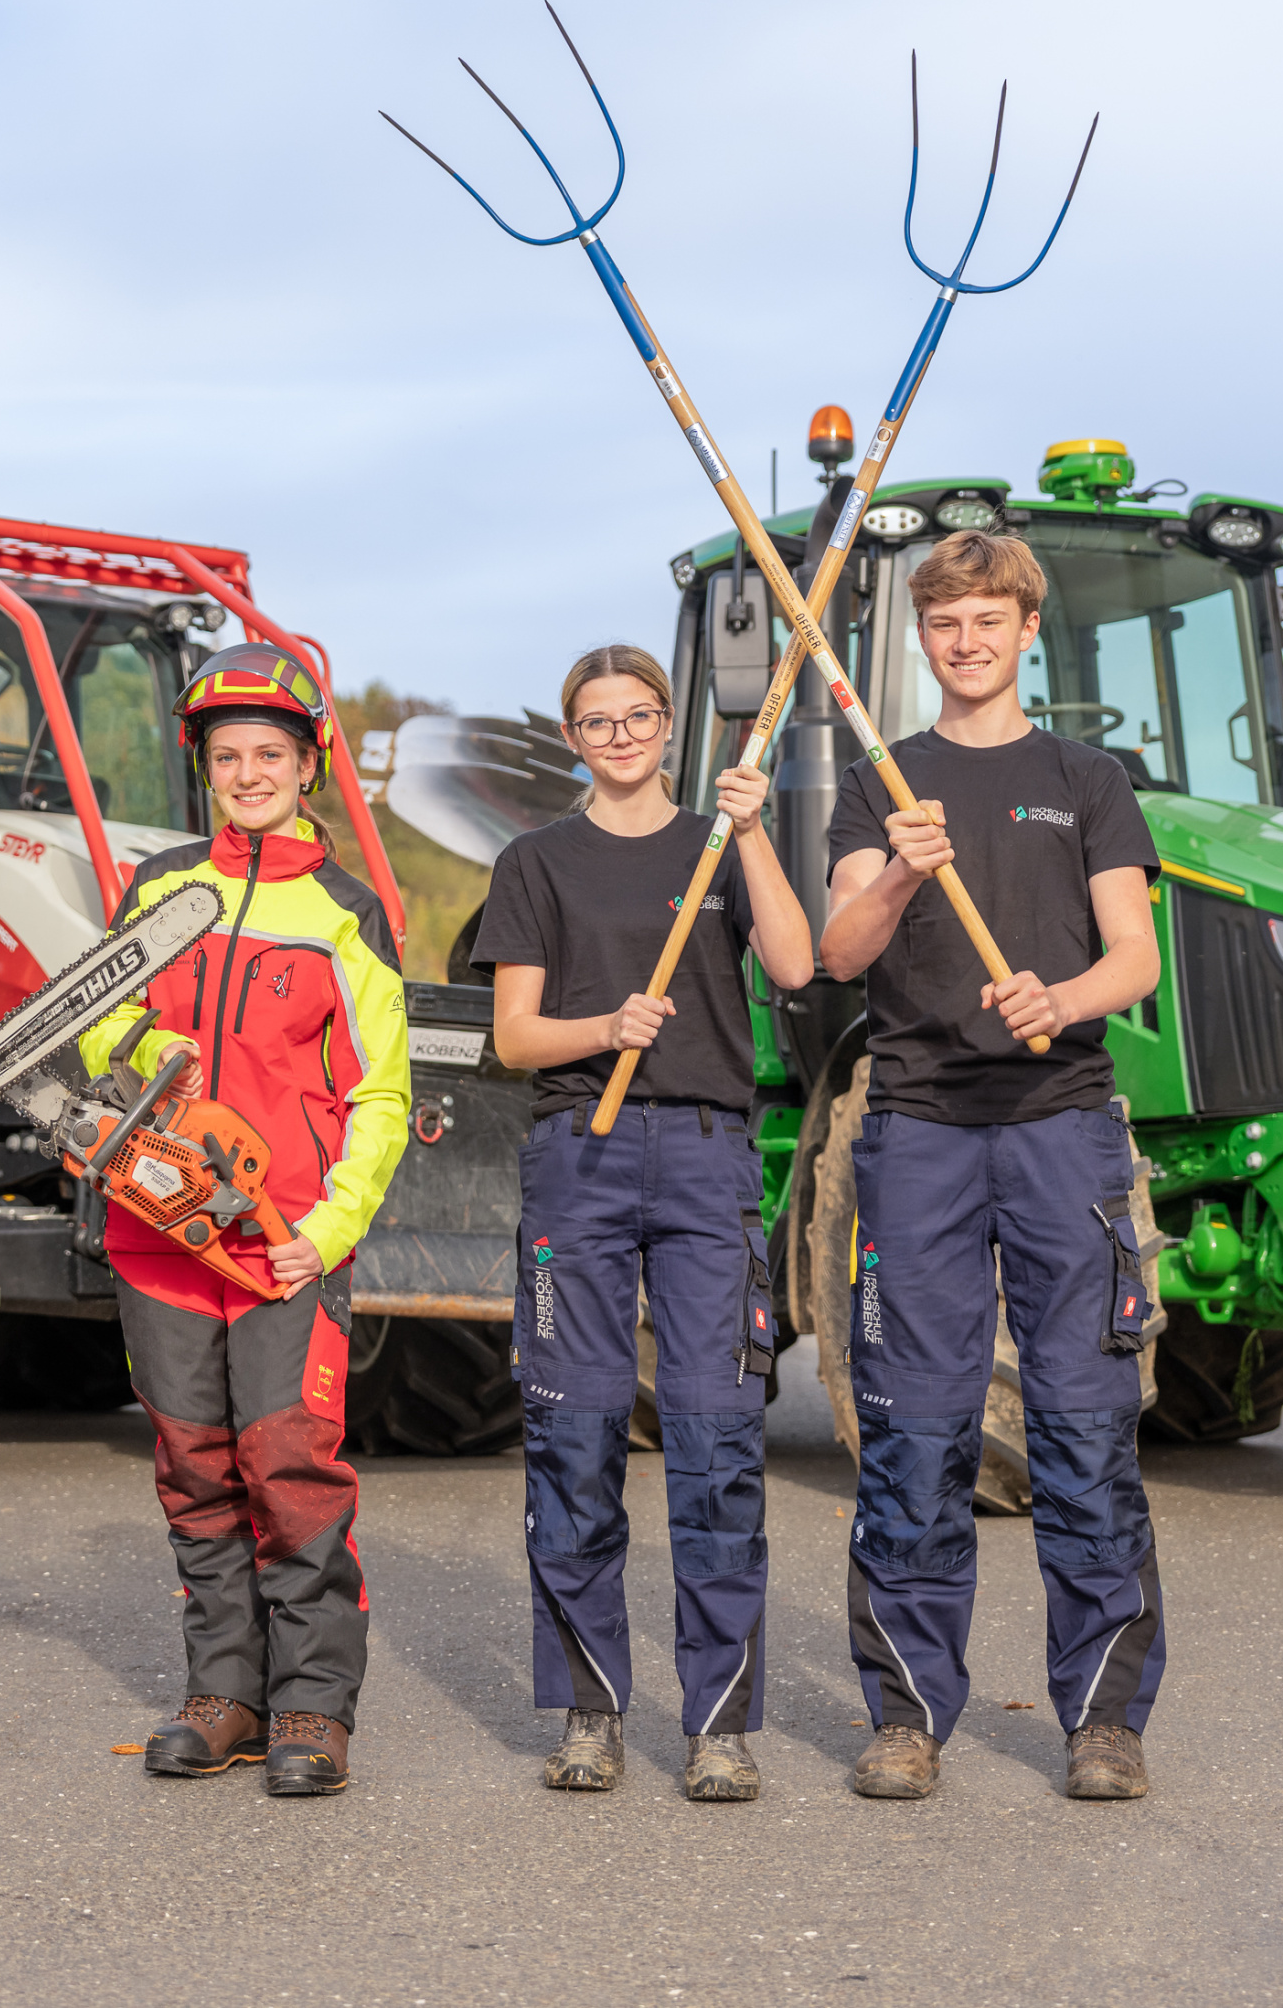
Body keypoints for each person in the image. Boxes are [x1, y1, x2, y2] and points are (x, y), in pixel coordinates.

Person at [817, 530, 1166, 1805]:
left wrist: (1059, 998)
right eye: (944, 625)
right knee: (916, 1425)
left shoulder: (1086, 779)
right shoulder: (884, 785)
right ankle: (906, 1715)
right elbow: (837, 952)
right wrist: (903, 875)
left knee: (1082, 1422)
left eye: (987, 622)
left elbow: (1132, 955)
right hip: (915, 1126)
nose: (965, 644)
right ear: (922, 640)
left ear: (1028, 632)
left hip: (1059, 1123)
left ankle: (1102, 1720)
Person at [472, 644, 815, 1802]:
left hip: (708, 1159)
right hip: (582, 1155)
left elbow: (798, 963)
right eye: (595, 721)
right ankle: (589, 1711)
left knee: (717, 1443)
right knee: (572, 1438)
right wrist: (603, 1026)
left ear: (667, 727)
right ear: (571, 738)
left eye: (638, 716)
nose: (618, 735)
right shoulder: (535, 862)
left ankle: (718, 1723)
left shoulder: (716, 847)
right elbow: (515, 1038)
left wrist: (752, 831)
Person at [79, 641, 409, 1798]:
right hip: (157, 1230)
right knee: (193, 1461)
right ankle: (222, 1693)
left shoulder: (345, 912)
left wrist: (327, 1228)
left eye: (270, 751)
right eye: (228, 754)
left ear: (307, 762)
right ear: (202, 766)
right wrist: (145, 1048)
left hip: (282, 1242)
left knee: (286, 1461)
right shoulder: (160, 889)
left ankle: (312, 1706)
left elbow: (380, 1093)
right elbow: (91, 1028)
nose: (249, 771)